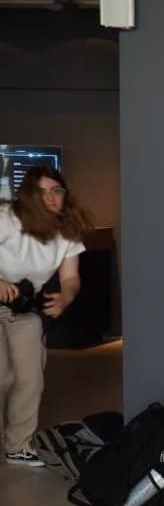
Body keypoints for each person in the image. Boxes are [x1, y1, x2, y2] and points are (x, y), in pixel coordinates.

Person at [0, 166, 89, 466]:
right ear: (28, 196)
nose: (50, 197)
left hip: (24, 306)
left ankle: (18, 446)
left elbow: (70, 278)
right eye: (41, 192)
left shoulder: (67, 230)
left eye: (56, 190)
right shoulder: (7, 218)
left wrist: (65, 297)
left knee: (30, 379)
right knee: (3, 377)